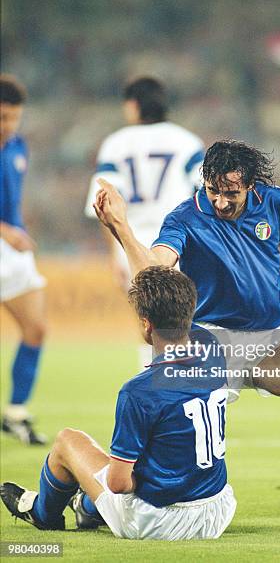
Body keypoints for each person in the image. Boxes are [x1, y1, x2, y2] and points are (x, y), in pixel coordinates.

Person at [91, 139, 280, 533]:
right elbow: (156, 270)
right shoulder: (184, 218)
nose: (220, 201)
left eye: (230, 193)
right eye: (213, 190)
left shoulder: (275, 201)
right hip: (208, 340)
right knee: (172, 426)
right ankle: (95, 501)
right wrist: (122, 229)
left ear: (251, 184)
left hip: (267, 339)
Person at [0, 266, 236, 540]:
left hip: (160, 523)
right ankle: (86, 508)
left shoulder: (138, 391)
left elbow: (119, 484)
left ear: (146, 325)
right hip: (216, 509)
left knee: (68, 441)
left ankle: (43, 512)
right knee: (157, 451)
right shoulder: (214, 351)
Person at [85, 76, 204, 290]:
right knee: (184, 316)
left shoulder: (115, 144)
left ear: (133, 105)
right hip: (177, 242)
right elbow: (205, 195)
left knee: (148, 317)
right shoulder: (186, 141)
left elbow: (104, 204)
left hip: (130, 242)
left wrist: (114, 253)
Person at [0, 74, 47, 445]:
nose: (8, 125)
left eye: (13, 117)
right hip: (5, 239)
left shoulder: (18, 147)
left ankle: (15, 413)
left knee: (36, 329)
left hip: (12, 251)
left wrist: (15, 229)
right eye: (1, 117)